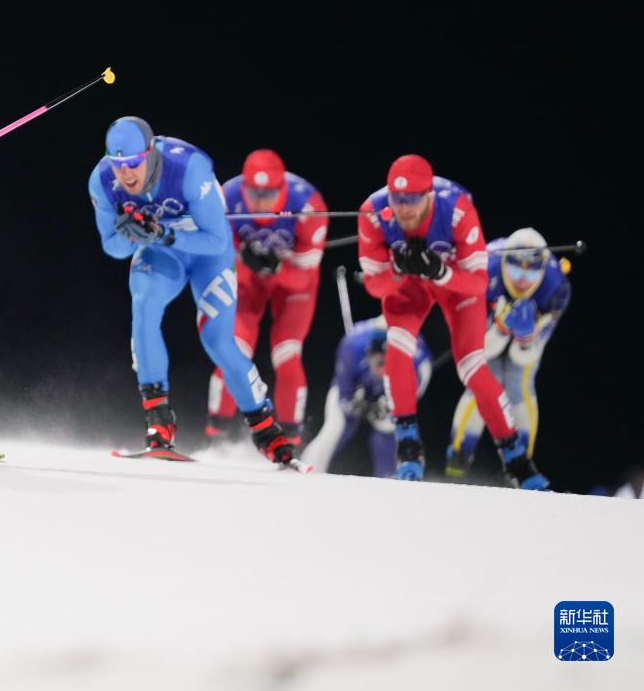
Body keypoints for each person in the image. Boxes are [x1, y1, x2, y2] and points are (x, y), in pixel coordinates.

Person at [88, 117, 298, 467]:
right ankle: (159, 422)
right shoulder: (101, 181)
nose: (126, 173)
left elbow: (216, 240)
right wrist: (132, 235)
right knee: (144, 309)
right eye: (118, 164)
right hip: (162, 255)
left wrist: (163, 233)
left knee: (218, 341)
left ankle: (267, 431)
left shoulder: (188, 168)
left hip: (207, 258)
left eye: (134, 163)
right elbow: (112, 247)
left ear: (150, 153)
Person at [357, 153, 548, 488]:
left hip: (455, 282)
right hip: (410, 285)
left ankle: (517, 461)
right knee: (397, 346)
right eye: (397, 199)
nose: (404, 209)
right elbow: (374, 285)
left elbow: (477, 282)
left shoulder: (458, 208)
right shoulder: (373, 212)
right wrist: (398, 269)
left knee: (472, 365)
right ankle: (408, 448)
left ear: (429, 196)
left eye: (412, 200)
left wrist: (440, 271)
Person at [205, 150, 328, 447]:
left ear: (281, 190)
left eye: (269, 195)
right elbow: (215, 255)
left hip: (293, 287)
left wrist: (278, 268)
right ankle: (216, 435)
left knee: (287, 353)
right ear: (244, 187)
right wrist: (241, 256)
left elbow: (305, 273)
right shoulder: (226, 198)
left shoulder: (308, 204)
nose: (261, 202)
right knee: (233, 349)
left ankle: (290, 439)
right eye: (254, 194)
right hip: (248, 283)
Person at [445, 228, 571, 478]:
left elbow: (526, 357)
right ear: (503, 263)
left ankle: (521, 469)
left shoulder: (557, 289)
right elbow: (478, 349)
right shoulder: (483, 268)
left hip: (526, 335)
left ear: (542, 270)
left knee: (520, 384)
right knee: (483, 381)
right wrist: (500, 328)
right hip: (487, 326)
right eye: (515, 270)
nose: (522, 280)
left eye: (531, 272)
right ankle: (457, 461)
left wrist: (526, 337)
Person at [306, 318, 432, 477]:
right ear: (369, 352)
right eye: (376, 360)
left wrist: (388, 406)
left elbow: (410, 399)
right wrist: (353, 402)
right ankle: (308, 470)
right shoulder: (352, 346)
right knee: (335, 427)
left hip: (392, 393)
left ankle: (391, 478)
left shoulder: (418, 361)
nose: (380, 368)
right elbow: (343, 391)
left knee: (387, 427)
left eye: (386, 362)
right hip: (357, 388)